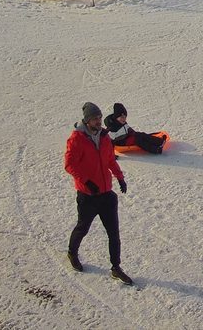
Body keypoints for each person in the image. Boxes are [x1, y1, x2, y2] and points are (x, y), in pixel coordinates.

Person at [64, 102, 134, 285]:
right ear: (87, 120)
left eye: (100, 118)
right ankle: (72, 253)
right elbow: (70, 165)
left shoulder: (104, 137)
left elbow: (110, 159)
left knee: (114, 233)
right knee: (83, 228)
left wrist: (120, 177)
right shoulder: (76, 139)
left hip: (106, 194)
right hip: (87, 196)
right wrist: (87, 182)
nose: (99, 121)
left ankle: (116, 268)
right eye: (95, 118)